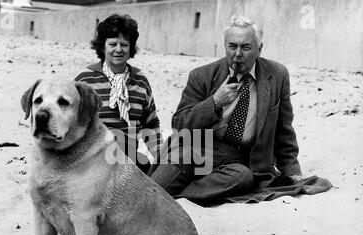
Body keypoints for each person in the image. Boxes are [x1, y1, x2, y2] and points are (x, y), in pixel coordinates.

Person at [149, 15, 302, 205]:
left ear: (259, 49)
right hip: (196, 148)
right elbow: (179, 123)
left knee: (243, 177)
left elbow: (284, 130)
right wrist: (214, 103)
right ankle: (166, 193)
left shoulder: (277, 75)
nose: (237, 54)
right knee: (152, 191)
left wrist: (292, 171)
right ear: (225, 46)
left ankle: (181, 196)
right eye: (232, 46)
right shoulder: (202, 76)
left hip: (239, 162)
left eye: (245, 47)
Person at [74, 14, 162, 174]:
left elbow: (151, 125)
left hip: (129, 159)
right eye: (113, 44)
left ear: (131, 48)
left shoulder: (140, 81)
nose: (119, 49)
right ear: (102, 47)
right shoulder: (84, 80)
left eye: (124, 44)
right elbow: (71, 124)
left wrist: (161, 161)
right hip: (92, 161)